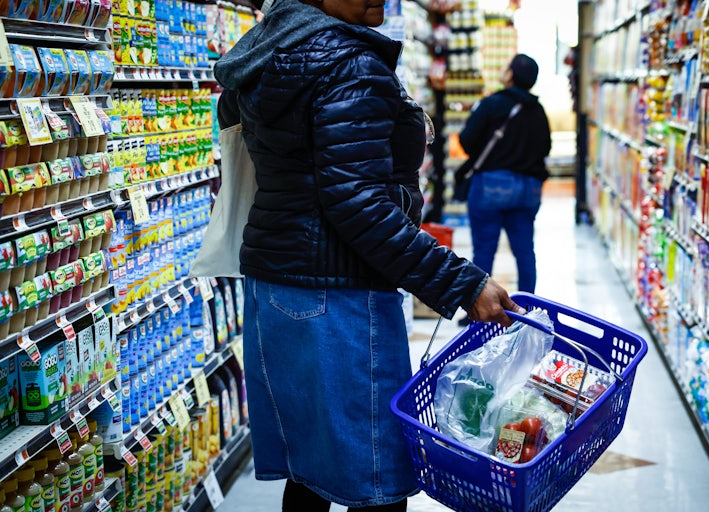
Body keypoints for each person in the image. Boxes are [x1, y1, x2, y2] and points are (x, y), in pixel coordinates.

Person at [213, 1, 524, 511]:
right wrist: (462, 283)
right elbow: (359, 205)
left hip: (278, 286)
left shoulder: (274, 49)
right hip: (339, 292)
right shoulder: (347, 62)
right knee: (378, 479)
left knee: (310, 472)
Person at [458, 54, 551, 313]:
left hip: (491, 186)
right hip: (528, 189)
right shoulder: (538, 110)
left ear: (510, 75)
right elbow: (546, 147)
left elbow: (467, 141)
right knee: (524, 250)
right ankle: (528, 309)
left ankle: (478, 308)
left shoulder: (491, 104)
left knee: (484, 250)